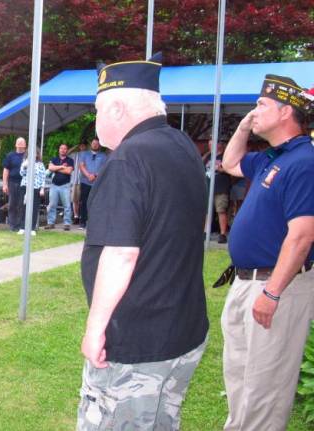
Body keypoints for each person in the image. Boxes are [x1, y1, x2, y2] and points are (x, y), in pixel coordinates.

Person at [77, 54, 208, 430]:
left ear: (116, 108)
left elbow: (121, 254)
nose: (96, 119)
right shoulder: (182, 146)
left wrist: (94, 329)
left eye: (98, 109)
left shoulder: (128, 159)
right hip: (182, 329)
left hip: (136, 341)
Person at [218, 74, 314, 431]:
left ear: (286, 111)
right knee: (241, 377)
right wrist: (245, 126)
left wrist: (272, 291)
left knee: (266, 388)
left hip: (276, 286)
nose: (253, 111)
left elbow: (302, 236)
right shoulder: (271, 158)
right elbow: (230, 163)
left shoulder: (304, 162)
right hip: (246, 283)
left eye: (261, 105)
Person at [203, 140, 231, 243]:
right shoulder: (208, 157)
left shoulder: (225, 156)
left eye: (212, 144)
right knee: (207, 211)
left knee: (221, 210)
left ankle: (223, 234)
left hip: (220, 188)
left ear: (220, 145)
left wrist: (221, 170)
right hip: (208, 188)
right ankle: (206, 232)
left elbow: (231, 169)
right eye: (209, 144)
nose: (210, 146)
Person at [78, 137, 107, 229]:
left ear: (99, 145)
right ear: (91, 144)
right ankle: (82, 222)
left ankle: (94, 222)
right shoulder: (84, 154)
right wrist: (88, 175)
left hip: (97, 183)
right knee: (84, 202)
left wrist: (95, 175)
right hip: (85, 182)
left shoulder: (103, 156)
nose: (95, 145)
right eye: (93, 143)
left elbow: (104, 168)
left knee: (96, 203)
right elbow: (81, 166)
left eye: (97, 143)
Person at [46, 144, 74, 231]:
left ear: (67, 150)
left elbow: (69, 171)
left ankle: (67, 224)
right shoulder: (54, 159)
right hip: (54, 185)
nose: (63, 150)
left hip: (65, 186)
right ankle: (51, 223)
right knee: (52, 205)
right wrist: (62, 167)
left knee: (67, 206)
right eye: (61, 148)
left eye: (65, 149)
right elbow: (50, 168)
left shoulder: (70, 160)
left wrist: (56, 168)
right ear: (59, 150)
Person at [2, 137, 27, 232]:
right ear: (16, 144)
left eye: (22, 143)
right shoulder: (10, 155)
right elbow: (6, 170)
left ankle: (20, 225)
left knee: (22, 204)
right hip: (12, 182)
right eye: (19, 143)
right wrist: (4, 184)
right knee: (12, 204)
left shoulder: (28, 156)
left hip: (24, 183)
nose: (20, 144)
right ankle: (12, 225)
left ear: (25, 145)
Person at [18, 151, 45, 236]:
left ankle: (32, 228)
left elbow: (43, 177)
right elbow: (21, 174)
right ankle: (22, 227)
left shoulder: (40, 165)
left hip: (36, 187)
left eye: (35, 153)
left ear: (37, 155)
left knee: (34, 208)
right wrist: (24, 166)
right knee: (23, 207)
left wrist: (42, 189)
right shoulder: (25, 162)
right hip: (25, 186)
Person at [69, 141, 87, 224]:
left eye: (84, 146)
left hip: (85, 180)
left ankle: (82, 216)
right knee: (75, 199)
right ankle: (76, 216)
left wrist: (90, 145)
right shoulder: (75, 154)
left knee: (83, 200)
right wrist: (75, 145)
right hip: (75, 180)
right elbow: (67, 153)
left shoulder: (88, 155)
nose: (82, 147)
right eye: (81, 145)